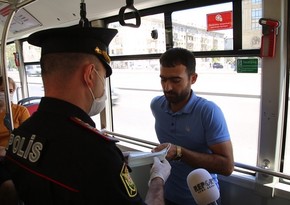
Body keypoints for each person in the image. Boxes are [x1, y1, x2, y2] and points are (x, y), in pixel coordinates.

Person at [0, 25, 171, 204]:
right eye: (103, 78)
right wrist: (157, 181)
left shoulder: (20, 135)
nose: (104, 87)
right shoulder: (98, 153)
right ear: (90, 75)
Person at [150, 47, 234, 205]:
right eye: (163, 79)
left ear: (193, 78)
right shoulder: (156, 105)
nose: (167, 87)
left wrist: (180, 152)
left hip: (203, 199)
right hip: (167, 194)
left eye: (175, 80)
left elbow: (227, 166)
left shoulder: (208, 111)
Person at [0, 76, 30, 154]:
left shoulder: (21, 110)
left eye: (10, 91)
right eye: (2, 90)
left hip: (15, 151)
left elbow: (28, 135)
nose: (7, 94)